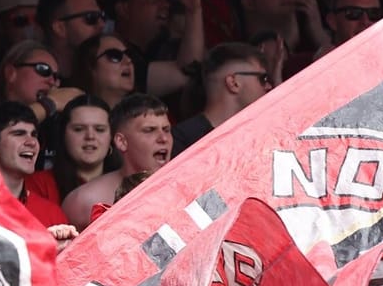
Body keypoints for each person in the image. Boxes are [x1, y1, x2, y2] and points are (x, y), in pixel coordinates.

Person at [61, 93, 171, 229]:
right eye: (149, 130)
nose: (163, 138)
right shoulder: (84, 201)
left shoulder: (189, 189)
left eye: (166, 130)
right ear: (121, 141)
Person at [171, 42, 273, 153]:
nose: (269, 86)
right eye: (263, 79)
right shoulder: (182, 141)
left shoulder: (259, 133)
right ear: (234, 83)